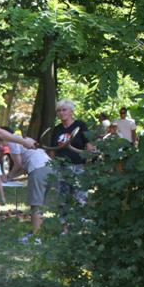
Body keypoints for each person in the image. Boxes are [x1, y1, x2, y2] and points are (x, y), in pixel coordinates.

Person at [47, 99, 95, 232]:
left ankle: (81, 228)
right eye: (59, 110)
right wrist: (53, 165)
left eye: (64, 110)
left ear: (71, 111)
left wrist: (90, 156)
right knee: (63, 199)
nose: (61, 113)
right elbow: (52, 149)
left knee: (80, 198)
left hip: (78, 167)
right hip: (61, 168)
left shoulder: (80, 125)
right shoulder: (57, 129)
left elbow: (89, 145)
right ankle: (65, 228)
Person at [7, 131, 54, 244]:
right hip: (50, 167)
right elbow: (23, 168)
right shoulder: (24, 139)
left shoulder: (12, 141)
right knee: (39, 203)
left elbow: (18, 165)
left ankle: (36, 238)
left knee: (35, 205)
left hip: (38, 169)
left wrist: (8, 177)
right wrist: (12, 176)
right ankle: (37, 232)